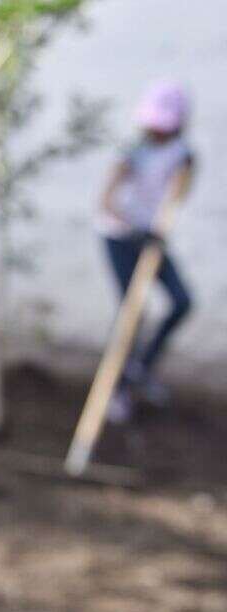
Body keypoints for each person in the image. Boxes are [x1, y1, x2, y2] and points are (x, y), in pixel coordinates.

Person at [97, 81, 196, 422]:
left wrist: (183, 176)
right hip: (121, 238)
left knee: (182, 301)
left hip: (152, 239)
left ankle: (142, 368)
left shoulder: (183, 154)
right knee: (132, 312)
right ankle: (117, 388)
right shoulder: (132, 151)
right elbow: (106, 199)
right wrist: (133, 226)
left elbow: (178, 196)